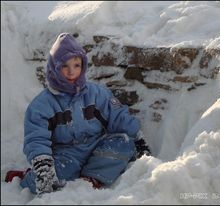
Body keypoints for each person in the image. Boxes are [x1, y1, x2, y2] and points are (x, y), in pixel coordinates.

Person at [5, 33, 151, 196]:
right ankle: (26, 177)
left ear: (83, 66)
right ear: (55, 67)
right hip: (66, 154)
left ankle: (91, 178)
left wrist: (137, 137)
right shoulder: (42, 104)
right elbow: (36, 137)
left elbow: (117, 115)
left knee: (124, 144)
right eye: (64, 66)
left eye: (76, 65)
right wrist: (43, 162)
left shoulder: (96, 93)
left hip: (96, 145)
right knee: (55, 176)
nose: (71, 71)